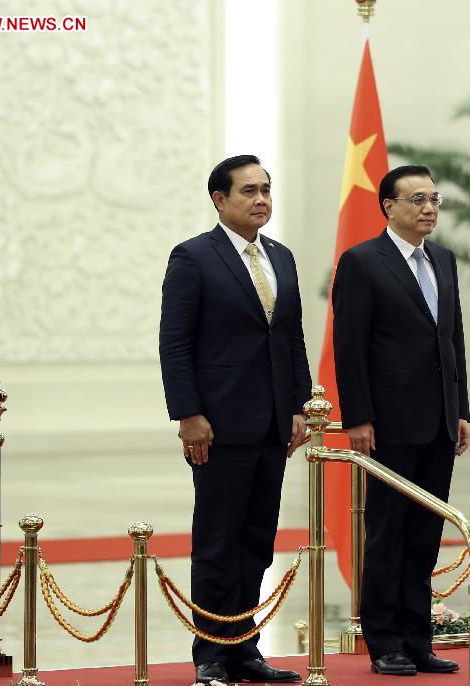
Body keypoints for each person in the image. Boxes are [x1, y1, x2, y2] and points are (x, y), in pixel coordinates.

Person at [159, 154, 311, 684]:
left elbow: (291, 339)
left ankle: (245, 648)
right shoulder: (194, 258)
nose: (261, 199)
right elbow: (175, 345)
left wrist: (298, 406)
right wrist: (188, 415)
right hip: (218, 424)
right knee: (219, 540)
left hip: (273, 423)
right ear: (219, 200)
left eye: (266, 189)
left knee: (256, 538)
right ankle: (212, 654)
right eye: (248, 191)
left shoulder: (282, 258)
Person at [332, 165, 470, 676]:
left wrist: (461, 410)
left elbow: (453, 341)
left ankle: (418, 639)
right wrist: (359, 417)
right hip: (387, 423)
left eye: (434, 199)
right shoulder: (363, 262)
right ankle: (384, 641)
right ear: (388, 206)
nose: (428, 208)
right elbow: (350, 348)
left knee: (426, 534)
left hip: (438, 421)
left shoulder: (444, 260)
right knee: (387, 533)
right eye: (416, 199)